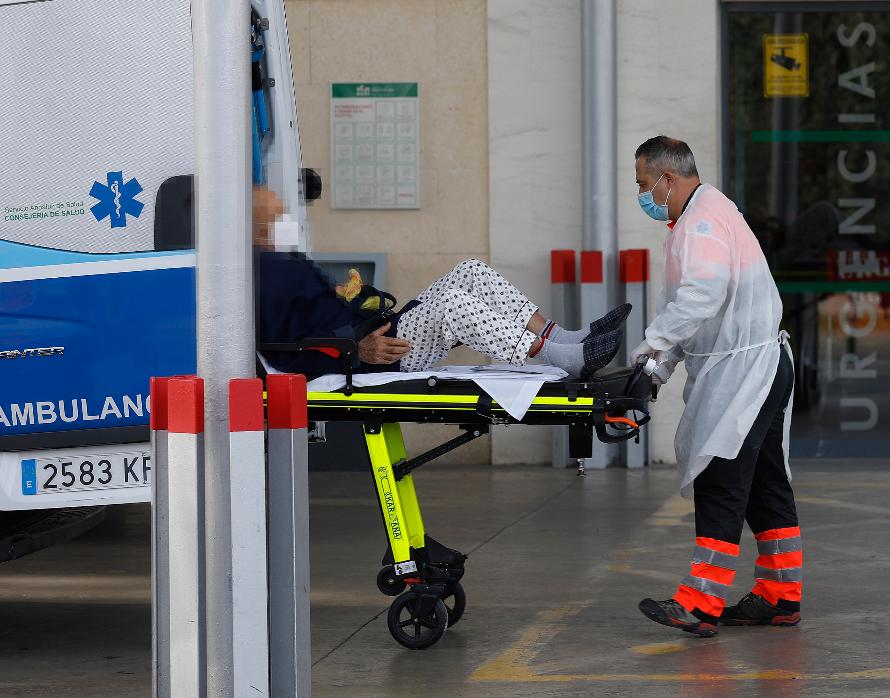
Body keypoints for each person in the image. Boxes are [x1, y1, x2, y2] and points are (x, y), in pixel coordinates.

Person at [627, 136, 801, 638]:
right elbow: (698, 315)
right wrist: (657, 367)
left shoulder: (701, 223)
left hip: (745, 372)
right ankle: (780, 594)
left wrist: (651, 346)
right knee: (766, 485)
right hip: (760, 364)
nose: (641, 194)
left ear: (668, 179)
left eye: (643, 184)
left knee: (720, 481)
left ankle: (700, 604)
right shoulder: (705, 213)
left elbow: (701, 298)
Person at [250, 188, 628, 379]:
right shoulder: (261, 276)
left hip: (376, 331)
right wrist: (356, 348)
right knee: (450, 303)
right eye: (275, 217)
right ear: (255, 226)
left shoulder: (284, 262)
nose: (286, 222)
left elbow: (318, 308)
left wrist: (354, 296)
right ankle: (557, 358)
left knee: (470, 271)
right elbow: (287, 348)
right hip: (371, 354)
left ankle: (561, 337)